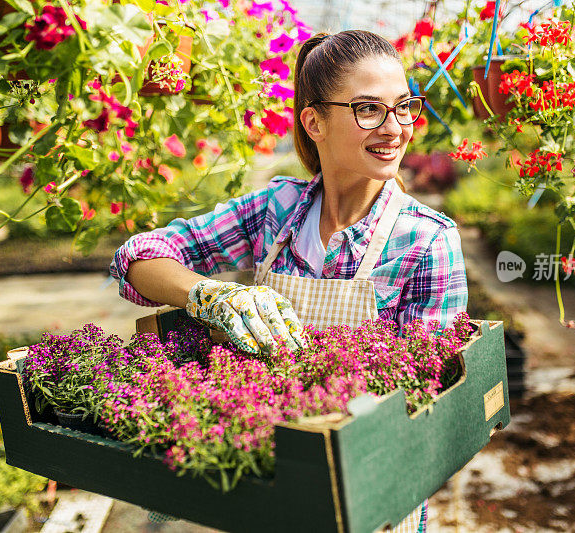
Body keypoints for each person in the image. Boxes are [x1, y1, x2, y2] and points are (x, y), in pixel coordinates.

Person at [110, 29, 467, 533]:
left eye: (403, 106)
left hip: (372, 496)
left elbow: (429, 400)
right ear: (314, 121)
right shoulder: (275, 212)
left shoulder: (426, 241)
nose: (396, 128)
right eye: (369, 109)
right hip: (262, 486)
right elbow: (136, 259)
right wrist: (210, 295)